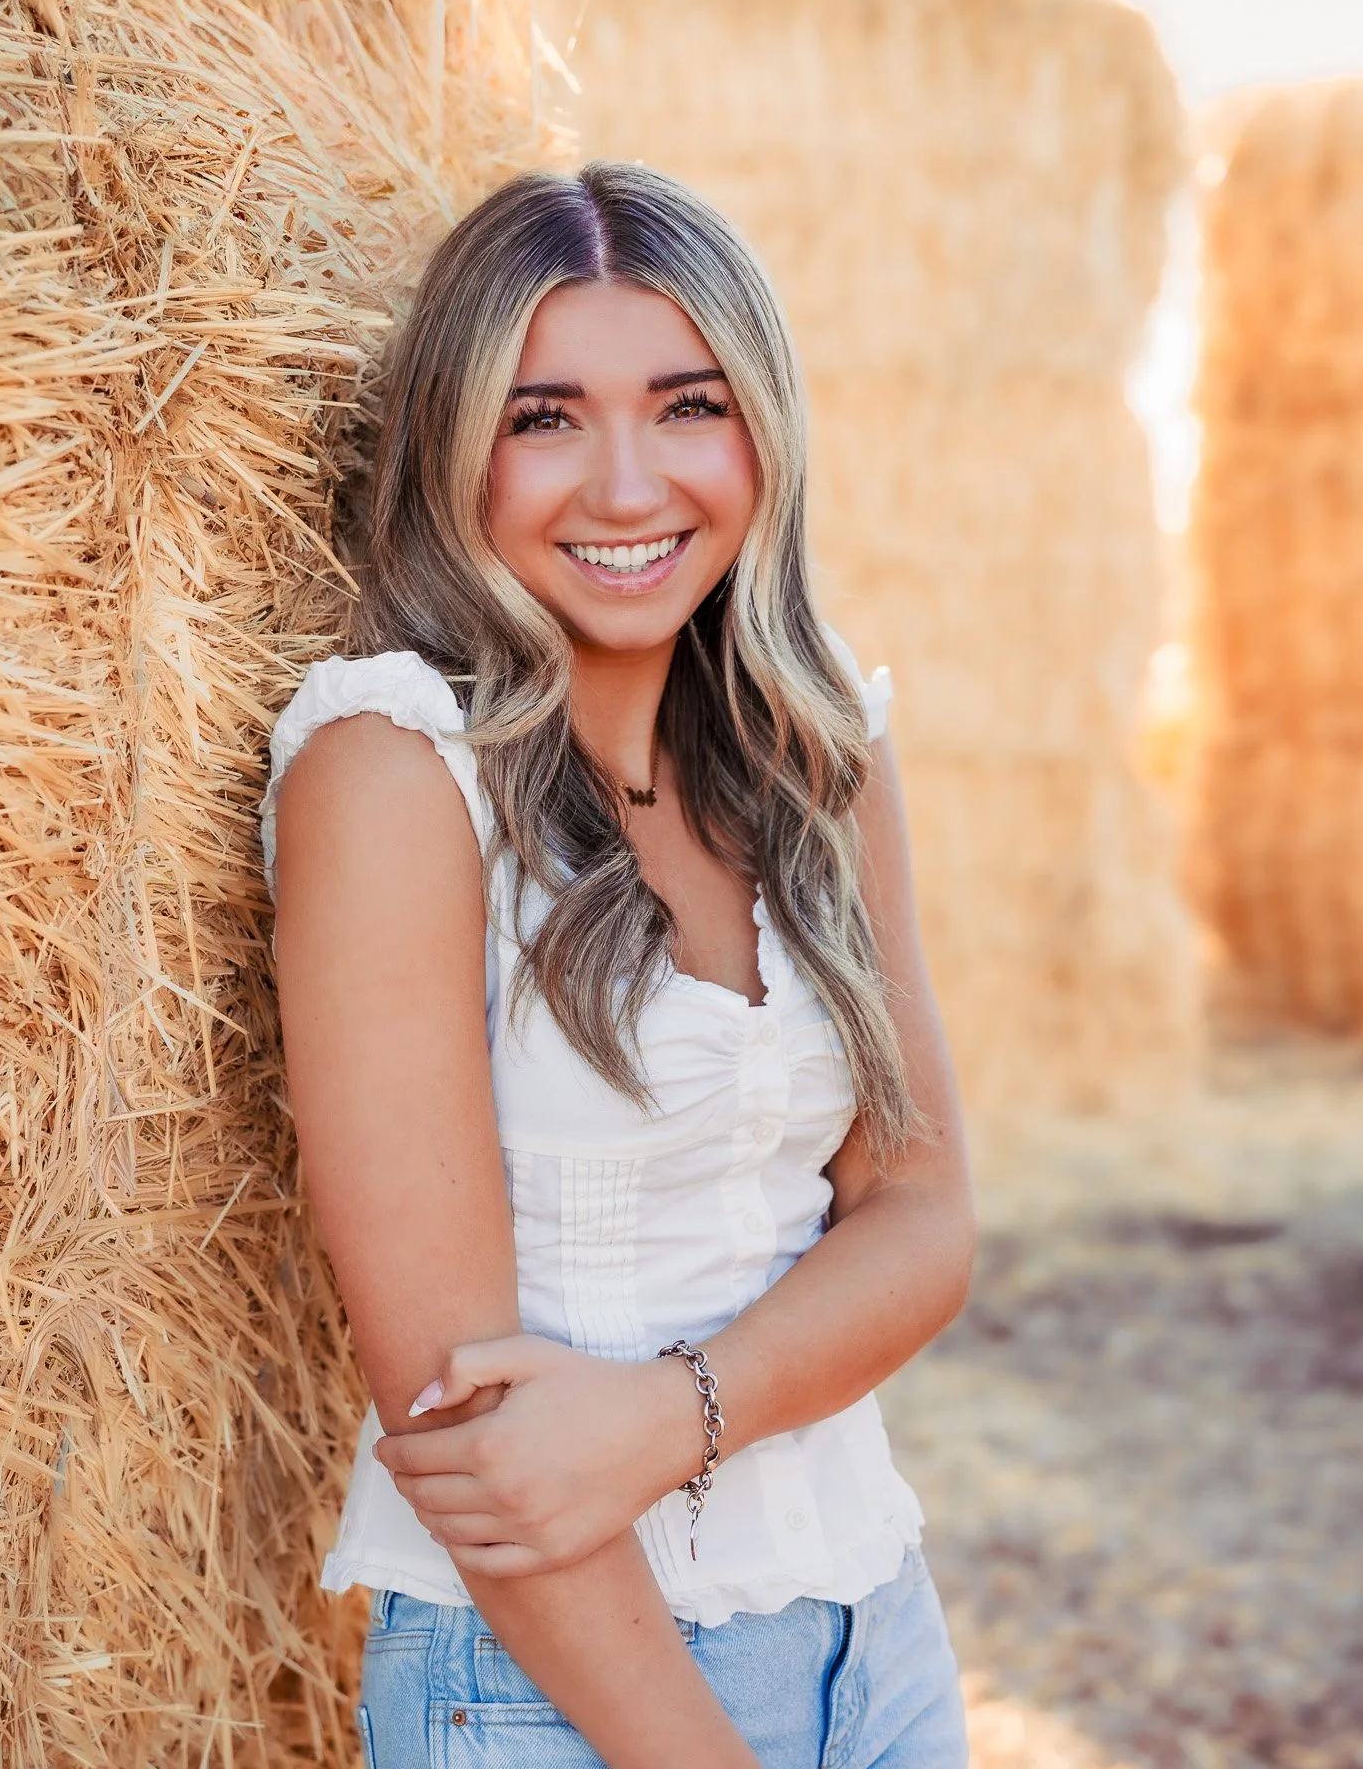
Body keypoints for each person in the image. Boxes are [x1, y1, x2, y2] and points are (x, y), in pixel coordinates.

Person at [263, 162, 976, 1768]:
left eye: (685, 406)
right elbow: (475, 1444)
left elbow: (922, 1225)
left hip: (873, 1633)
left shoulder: (819, 754)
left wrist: (669, 1413)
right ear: (454, 449)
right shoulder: (395, 774)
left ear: (761, 434)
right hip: (548, 1689)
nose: (626, 485)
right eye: (544, 418)